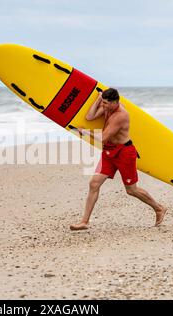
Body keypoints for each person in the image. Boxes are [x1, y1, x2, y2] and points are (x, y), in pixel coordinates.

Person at [70, 88, 167, 231]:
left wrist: (84, 132)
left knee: (131, 190)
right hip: (109, 151)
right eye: (102, 103)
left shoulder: (121, 115)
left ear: (115, 102)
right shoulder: (108, 107)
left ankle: (159, 208)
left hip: (124, 153)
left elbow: (102, 137)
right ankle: (84, 222)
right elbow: (90, 117)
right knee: (94, 184)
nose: (103, 106)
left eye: (105, 103)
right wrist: (98, 100)